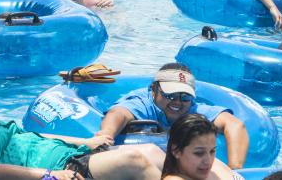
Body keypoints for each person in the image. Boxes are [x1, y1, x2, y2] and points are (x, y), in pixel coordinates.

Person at [0, 86, 166, 180]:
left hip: (74, 155)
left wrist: (86, 141)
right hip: (65, 168)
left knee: (154, 151)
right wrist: (49, 175)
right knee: (135, 161)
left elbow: (32, 137)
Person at [97, 63, 249, 170]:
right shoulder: (142, 103)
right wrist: (105, 136)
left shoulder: (193, 108)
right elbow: (118, 113)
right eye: (170, 95)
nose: (177, 102)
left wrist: (235, 170)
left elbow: (235, 125)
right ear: (154, 90)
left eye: (184, 96)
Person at [161, 114, 236, 180]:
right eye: (199, 153)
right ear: (176, 151)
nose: (208, 161)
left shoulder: (212, 172)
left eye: (212, 151)